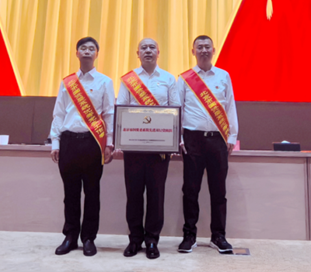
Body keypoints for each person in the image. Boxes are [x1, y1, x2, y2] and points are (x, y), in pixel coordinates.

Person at [49, 37, 116, 257]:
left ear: (97, 54)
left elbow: (109, 114)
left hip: (92, 142)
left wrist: (109, 143)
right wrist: (55, 141)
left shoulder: (105, 82)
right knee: (70, 193)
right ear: (77, 53)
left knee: (92, 192)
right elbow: (59, 113)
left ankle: (88, 238)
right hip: (68, 141)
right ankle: (70, 236)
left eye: (91, 48)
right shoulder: (67, 82)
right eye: (83, 48)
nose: (87, 51)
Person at [116, 38, 180, 260]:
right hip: (133, 147)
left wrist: (175, 140)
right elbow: (121, 108)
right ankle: (134, 239)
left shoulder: (168, 79)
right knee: (133, 195)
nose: (148, 50)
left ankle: (152, 239)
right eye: (144, 47)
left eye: (152, 47)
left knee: (156, 195)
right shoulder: (129, 79)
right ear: (138, 53)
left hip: (159, 149)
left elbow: (175, 109)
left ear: (158, 52)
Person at [176, 35, 238, 254]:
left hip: (217, 139)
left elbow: (230, 107)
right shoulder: (185, 79)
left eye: (207, 47)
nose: (203, 50)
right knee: (190, 189)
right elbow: (178, 109)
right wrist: (179, 139)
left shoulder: (223, 76)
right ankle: (189, 235)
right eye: (199, 47)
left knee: (218, 190)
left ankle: (218, 236)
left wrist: (232, 137)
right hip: (192, 140)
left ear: (213, 50)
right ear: (193, 51)